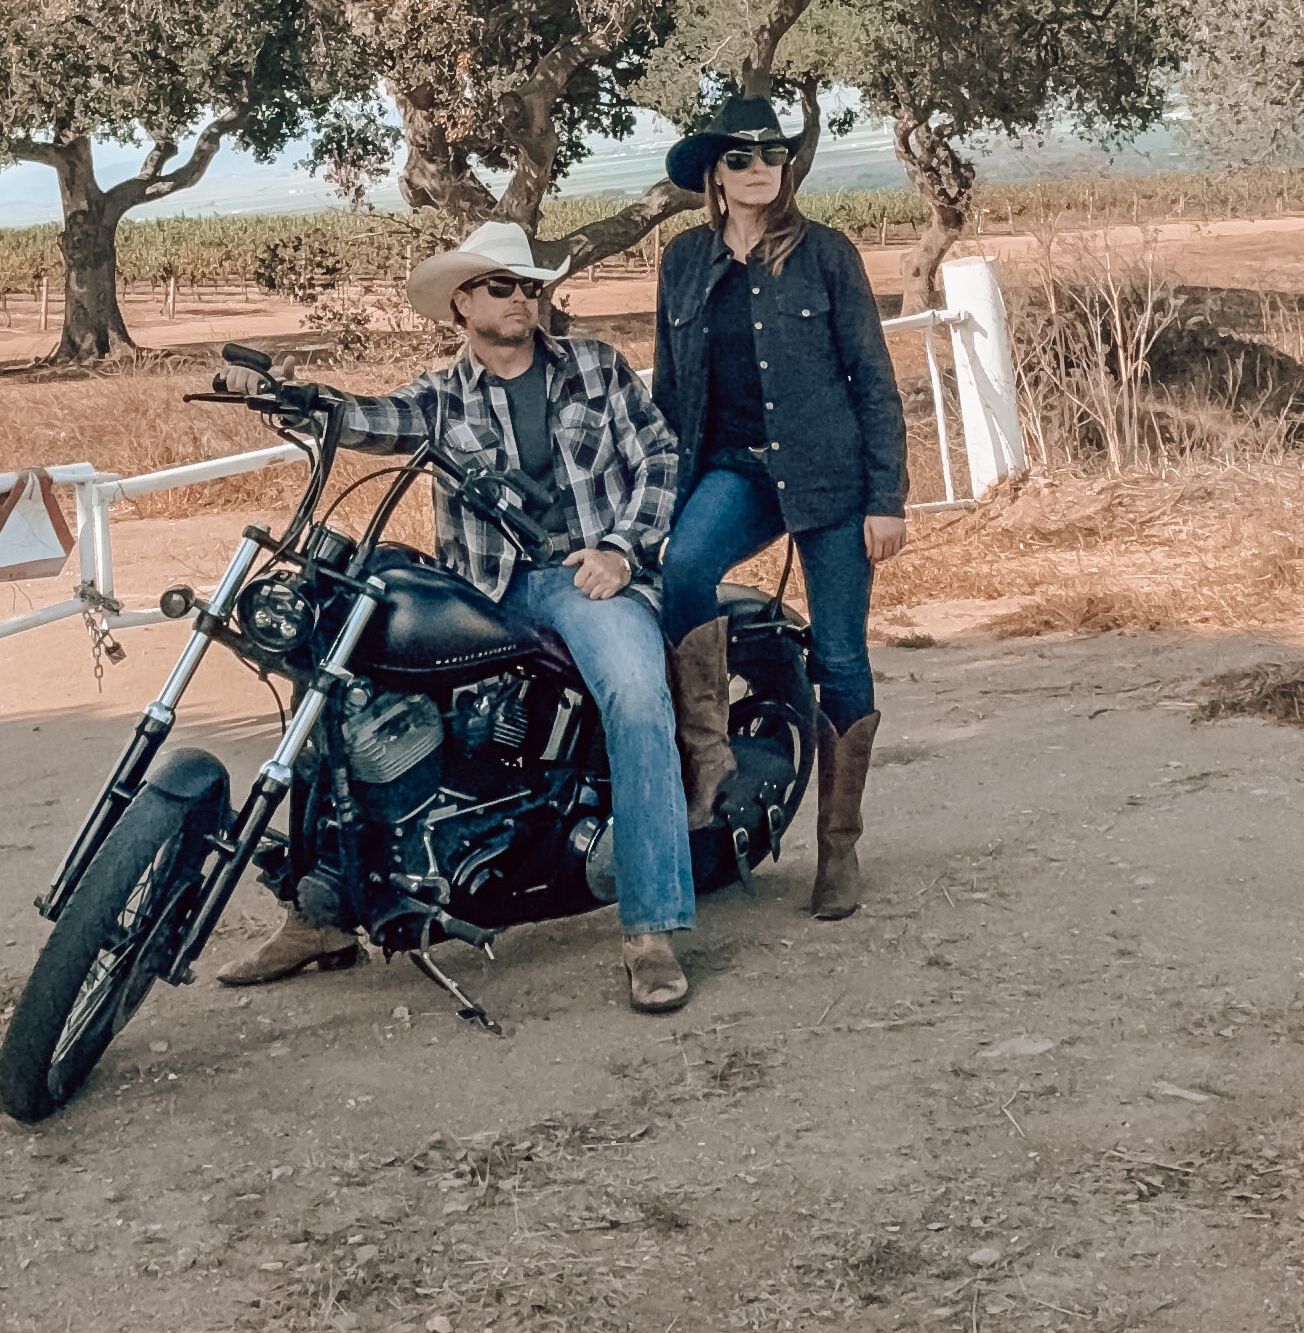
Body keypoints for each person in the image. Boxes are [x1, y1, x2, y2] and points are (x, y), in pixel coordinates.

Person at [216, 220, 694, 1014]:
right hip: (483, 588)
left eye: (530, 286)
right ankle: (320, 911)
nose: (522, 299)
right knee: (334, 672)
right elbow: (368, 418)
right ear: (462, 303)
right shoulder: (441, 395)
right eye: (503, 286)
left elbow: (661, 457)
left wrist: (620, 549)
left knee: (638, 695)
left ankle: (651, 927)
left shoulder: (595, 367)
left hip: (585, 576)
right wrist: (289, 397)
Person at [654, 93, 909, 921]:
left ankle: (838, 847)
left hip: (830, 480)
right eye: (740, 156)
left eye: (773, 154)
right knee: (683, 569)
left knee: (838, 654)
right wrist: (655, 501)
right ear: (714, 174)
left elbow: (873, 379)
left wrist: (887, 498)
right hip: (733, 470)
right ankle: (709, 759)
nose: (760, 167)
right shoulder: (683, 261)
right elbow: (669, 394)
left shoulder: (827, 253)